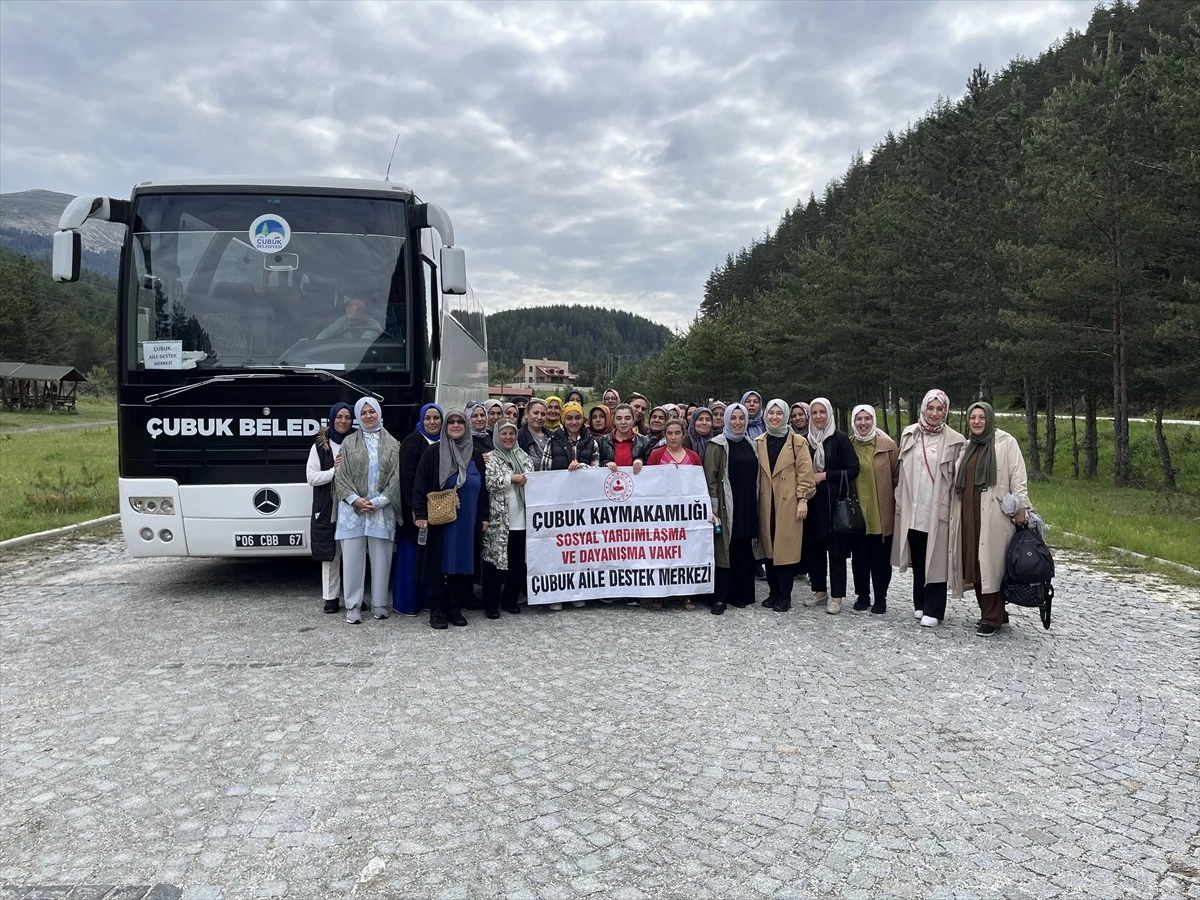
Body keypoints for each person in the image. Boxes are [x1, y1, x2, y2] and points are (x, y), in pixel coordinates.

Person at [949, 401, 1029, 636]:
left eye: (981, 417)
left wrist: (1021, 505)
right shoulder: (967, 447)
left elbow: (1018, 476)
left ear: (990, 419)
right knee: (975, 563)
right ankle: (997, 614)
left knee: (991, 565)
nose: (976, 422)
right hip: (969, 512)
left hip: (994, 514)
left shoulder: (1005, 442)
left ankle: (990, 618)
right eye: (972, 417)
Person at [893, 389, 966, 629]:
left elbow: (957, 479)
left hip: (938, 508)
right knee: (918, 555)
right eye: (930, 408)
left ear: (946, 411)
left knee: (936, 559)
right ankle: (920, 603)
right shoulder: (909, 434)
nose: (934, 413)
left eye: (940, 409)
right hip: (914, 507)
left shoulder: (955, 440)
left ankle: (935, 608)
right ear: (923, 408)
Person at [413, 409, 490, 629]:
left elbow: (483, 489)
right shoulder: (433, 452)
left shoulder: (474, 455)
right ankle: (436, 611)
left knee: (461, 564)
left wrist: (484, 516)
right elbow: (419, 485)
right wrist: (420, 515)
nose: (456, 425)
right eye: (451, 422)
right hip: (440, 520)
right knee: (438, 564)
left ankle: (454, 608)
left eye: (460, 422)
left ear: (466, 427)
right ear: (446, 427)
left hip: (467, 521)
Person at [333, 397, 400, 624]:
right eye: (364, 413)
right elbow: (340, 477)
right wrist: (355, 500)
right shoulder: (348, 443)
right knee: (352, 560)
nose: (368, 416)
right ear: (358, 417)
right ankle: (353, 605)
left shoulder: (393, 444)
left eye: (372, 412)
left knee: (382, 559)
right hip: (353, 511)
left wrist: (380, 501)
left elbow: (397, 478)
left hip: (381, 510)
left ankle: (379, 604)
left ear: (379, 413)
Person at [754, 399, 816, 613]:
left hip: (788, 502)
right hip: (765, 502)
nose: (774, 417)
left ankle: (785, 596)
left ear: (786, 416)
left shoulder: (797, 442)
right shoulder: (759, 441)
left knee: (785, 550)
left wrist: (803, 499)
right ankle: (773, 593)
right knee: (769, 548)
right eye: (771, 413)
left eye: (779, 414)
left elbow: (805, 473)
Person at [802, 397, 859, 615]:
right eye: (814, 413)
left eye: (822, 412)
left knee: (836, 552)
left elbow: (853, 469)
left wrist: (825, 475)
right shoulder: (805, 440)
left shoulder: (840, 439)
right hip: (814, 504)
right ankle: (819, 591)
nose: (818, 416)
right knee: (815, 550)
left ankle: (837, 596)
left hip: (835, 504)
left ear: (829, 414)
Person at [704, 403, 757, 615]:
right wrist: (713, 506)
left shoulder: (750, 442)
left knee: (744, 545)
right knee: (726, 548)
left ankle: (739, 594)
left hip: (747, 503)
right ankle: (720, 597)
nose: (737, 422)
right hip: (726, 505)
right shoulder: (717, 445)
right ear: (726, 420)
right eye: (733, 418)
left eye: (741, 418)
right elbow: (711, 479)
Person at [848, 405, 899, 615]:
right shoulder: (849, 445)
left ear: (873, 420)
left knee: (880, 559)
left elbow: (897, 476)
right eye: (858, 419)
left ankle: (881, 597)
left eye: (867, 418)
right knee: (860, 557)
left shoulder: (888, 446)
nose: (863, 423)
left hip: (881, 511)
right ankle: (862, 595)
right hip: (858, 512)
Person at [393, 402, 442, 617]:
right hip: (414, 510)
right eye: (428, 418)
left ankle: (427, 599)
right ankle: (406, 602)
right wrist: (415, 508)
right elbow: (407, 478)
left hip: (439, 509)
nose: (432, 422)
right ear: (421, 420)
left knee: (429, 557)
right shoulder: (412, 442)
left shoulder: (446, 441)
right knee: (410, 555)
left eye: (436, 418)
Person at [482, 420, 533, 618]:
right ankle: (491, 604)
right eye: (504, 434)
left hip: (520, 519)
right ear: (497, 436)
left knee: (516, 562)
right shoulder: (490, 459)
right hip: (498, 521)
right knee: (494, 563)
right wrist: (510, 479)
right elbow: (489, 483)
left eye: (512, 434)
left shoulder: (524, 457)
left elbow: (535, 480)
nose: (508, 437)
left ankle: (510, 601)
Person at [307, 402, 353, 614]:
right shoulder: (319, 447)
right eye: (339, 417)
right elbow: (311, 478)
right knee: (331, 555)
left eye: (347, 417)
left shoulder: (356, 442)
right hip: (327, 507)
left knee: (353, 554)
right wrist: (334, 472)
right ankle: (331, 598)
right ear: (332, 419)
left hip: (353, 506)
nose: (343, 421)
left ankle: (354, 596)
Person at [543, 402, 599, 471]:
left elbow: (596, 472)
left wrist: (582, 467)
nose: (574, 422)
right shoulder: (552, 441)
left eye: (578, 418)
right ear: (563, 420)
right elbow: (544, 473)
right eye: (569, 418)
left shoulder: (592, 443)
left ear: (582, 419)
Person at [599, 404, 653, 469]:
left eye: (627, 418)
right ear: (613, 421)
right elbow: (595, 463)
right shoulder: (603, 441)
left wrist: (641, 461)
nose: (623, 422)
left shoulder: (644, 441)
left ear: (633, 420)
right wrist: (605, 464)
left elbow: (651, 466)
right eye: (619, 418)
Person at [316, 297, 384, 340]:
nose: (350, 322)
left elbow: (361, 348)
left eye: (355, 319)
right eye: (349, 318)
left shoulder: (374, 327)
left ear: (365, 317)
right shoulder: (344, 319)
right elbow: (326, 334)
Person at [517, 398, 551, 471]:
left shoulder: (552, 437)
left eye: (543, 414)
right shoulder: (518, 437)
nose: (539, 417)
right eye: (535, 413)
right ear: (526, 414)